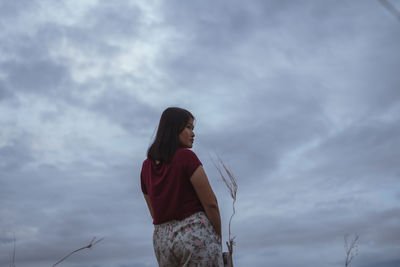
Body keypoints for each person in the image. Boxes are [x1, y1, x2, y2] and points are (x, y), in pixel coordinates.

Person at [140, 107, 223, 266]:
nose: (193, 133)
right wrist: (217, 237)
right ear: (174, 129)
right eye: (188, 127)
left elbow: (154, 212)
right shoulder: (186, 157)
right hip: (194, 233)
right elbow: (211, 203)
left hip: (162, 241)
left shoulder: (145, 167)